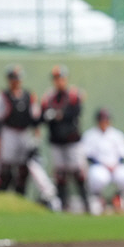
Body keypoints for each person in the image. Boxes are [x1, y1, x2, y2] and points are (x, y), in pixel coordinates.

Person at [40, 65, 89, 213]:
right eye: (56, 78)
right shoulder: (49, 97)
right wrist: (55, 115)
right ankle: (63, 205)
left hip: (72, 140)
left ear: (65, 79)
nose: (59, 81)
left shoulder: (73, 95)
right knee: (60, 174)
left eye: (61, 78)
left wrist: (58, 115)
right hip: (57, 141)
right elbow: (42, 117)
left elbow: (75, 112)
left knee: (78, 172)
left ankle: (86, 204)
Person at [0, 64, 41, 196]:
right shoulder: (2, 96)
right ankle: (1, 193)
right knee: (5, 167)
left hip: (24, 133)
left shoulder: (29, 96)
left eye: (17, 78)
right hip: (8, 132)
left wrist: (36, 134)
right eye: (12, 78)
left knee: (24, 166)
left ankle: (20, 194)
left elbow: (35, 118)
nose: (15, 81)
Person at [81, 108, 124, 215]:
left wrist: (115, 165)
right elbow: (87, 155)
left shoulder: (117, 134)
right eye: (101, 120)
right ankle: (98, 198)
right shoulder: (90, 135)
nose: (104, 122)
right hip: (99, 166)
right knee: (97, 178)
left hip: (116, 166)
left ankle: (119, 195)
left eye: (106, 120)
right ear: (97, 121)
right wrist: (103, 164)